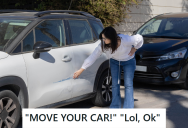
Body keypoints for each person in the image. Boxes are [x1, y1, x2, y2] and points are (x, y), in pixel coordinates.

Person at [73, 26, 143, 108]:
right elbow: (93, 56)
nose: (103, 40)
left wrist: (135, 48)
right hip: (114, 61)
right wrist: (81, 69)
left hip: (128, 61)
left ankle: (128, 108)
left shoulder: (125, 40)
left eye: (105, 38)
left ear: (112, 37)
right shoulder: (103, 45)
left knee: (128, 84)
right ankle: (115, 106)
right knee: (115, 84)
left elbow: (140, 38)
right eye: (102, 38)